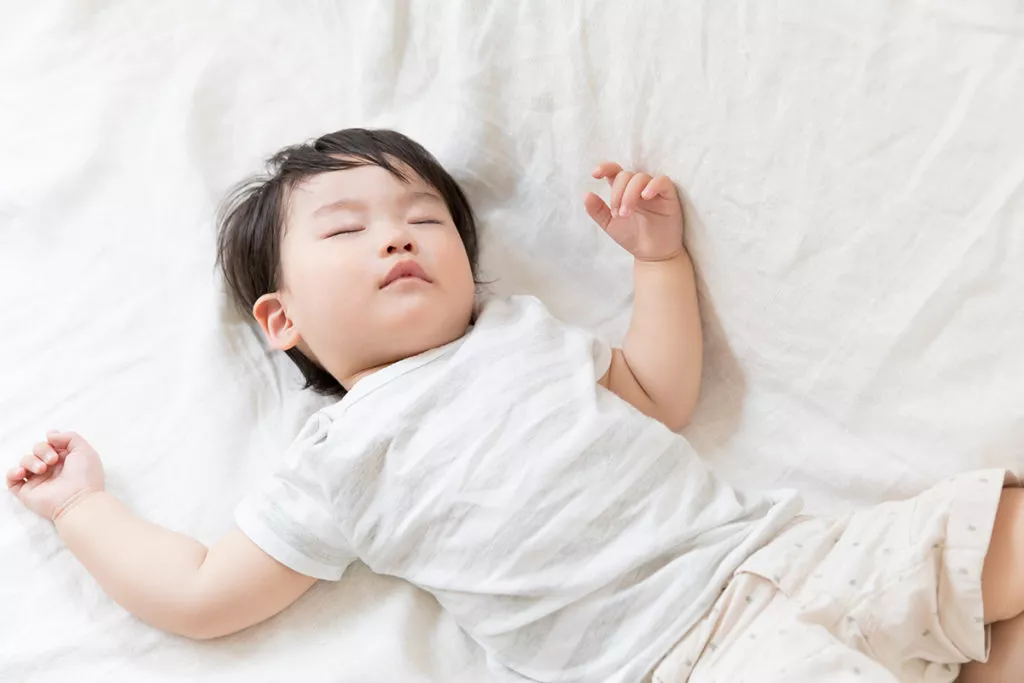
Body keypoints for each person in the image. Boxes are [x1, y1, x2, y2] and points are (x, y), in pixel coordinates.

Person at [6, 128, 1023, 683]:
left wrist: (656, 264)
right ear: (281, 319)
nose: (396, 238)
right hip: (678, 657)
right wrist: (80, 508)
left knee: (987, 531)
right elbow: (197, 593)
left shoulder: (522, 333)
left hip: (781, 555)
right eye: (347, 229)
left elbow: (660, 393)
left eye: (422, 218)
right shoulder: (342, 455)